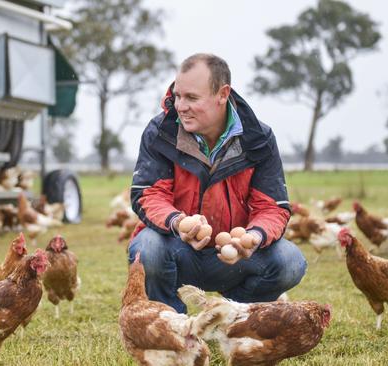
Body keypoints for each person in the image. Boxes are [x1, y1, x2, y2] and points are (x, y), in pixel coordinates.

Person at [127, 53, 307, 313]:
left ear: (222, 94)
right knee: (147, 248)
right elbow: (149, 194)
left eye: (191, 98)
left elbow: (272, 206)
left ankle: (232, 315)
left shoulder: (258, 138)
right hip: (178, 248)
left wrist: (253, 237)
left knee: (290, 261)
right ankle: (172, 325)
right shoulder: (160, 132)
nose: (180, 106)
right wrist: (178, 222)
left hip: (234, 256)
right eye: (178, 96)